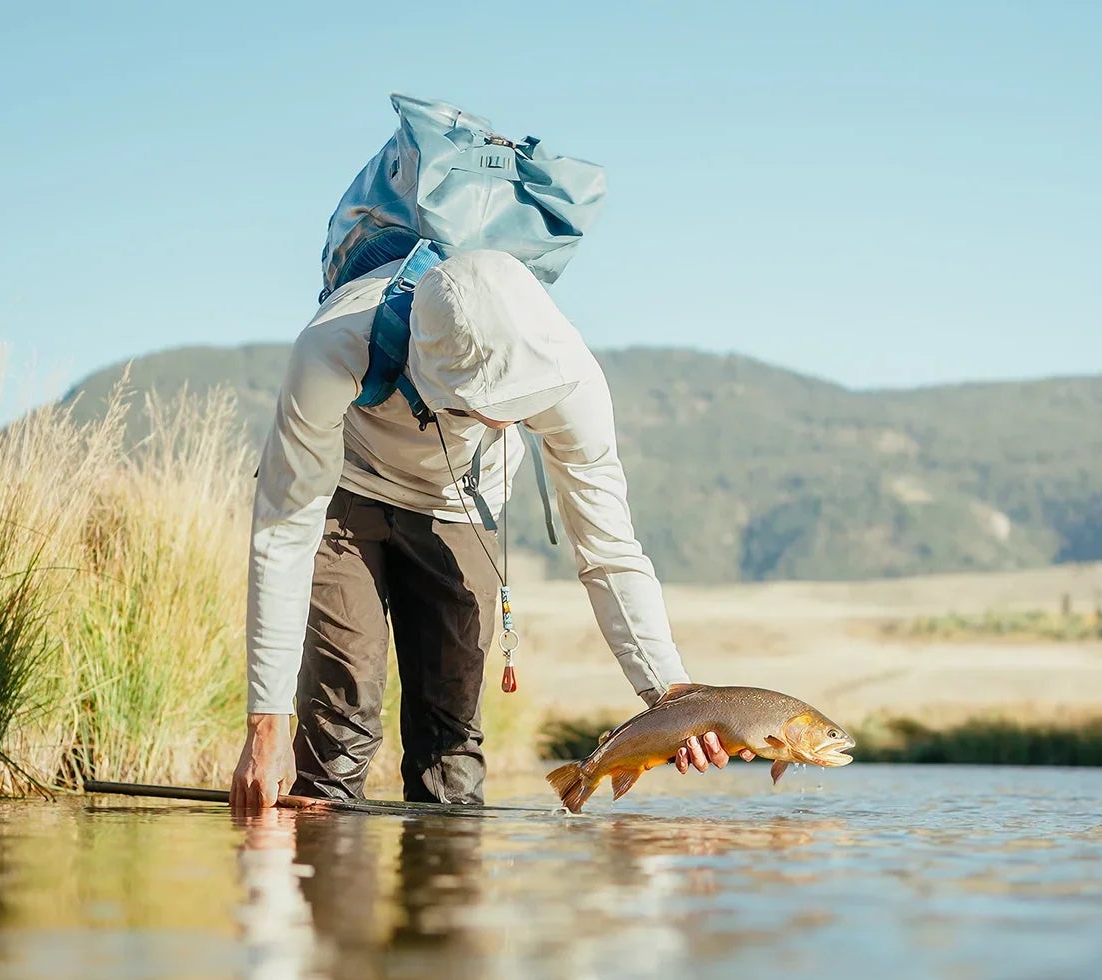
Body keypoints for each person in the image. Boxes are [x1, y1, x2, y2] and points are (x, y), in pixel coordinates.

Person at [230, 250, 745, 814]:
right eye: (492, 405)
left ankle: (449, 891)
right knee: (341, 713)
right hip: (344, 491)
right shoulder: (332, 347)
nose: (509, 420)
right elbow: (283, 532)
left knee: (451, 736)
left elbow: (610, 552)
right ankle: (323, 875)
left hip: (462, 507)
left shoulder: (568, 371)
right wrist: (266, 725)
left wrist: (672, 699)